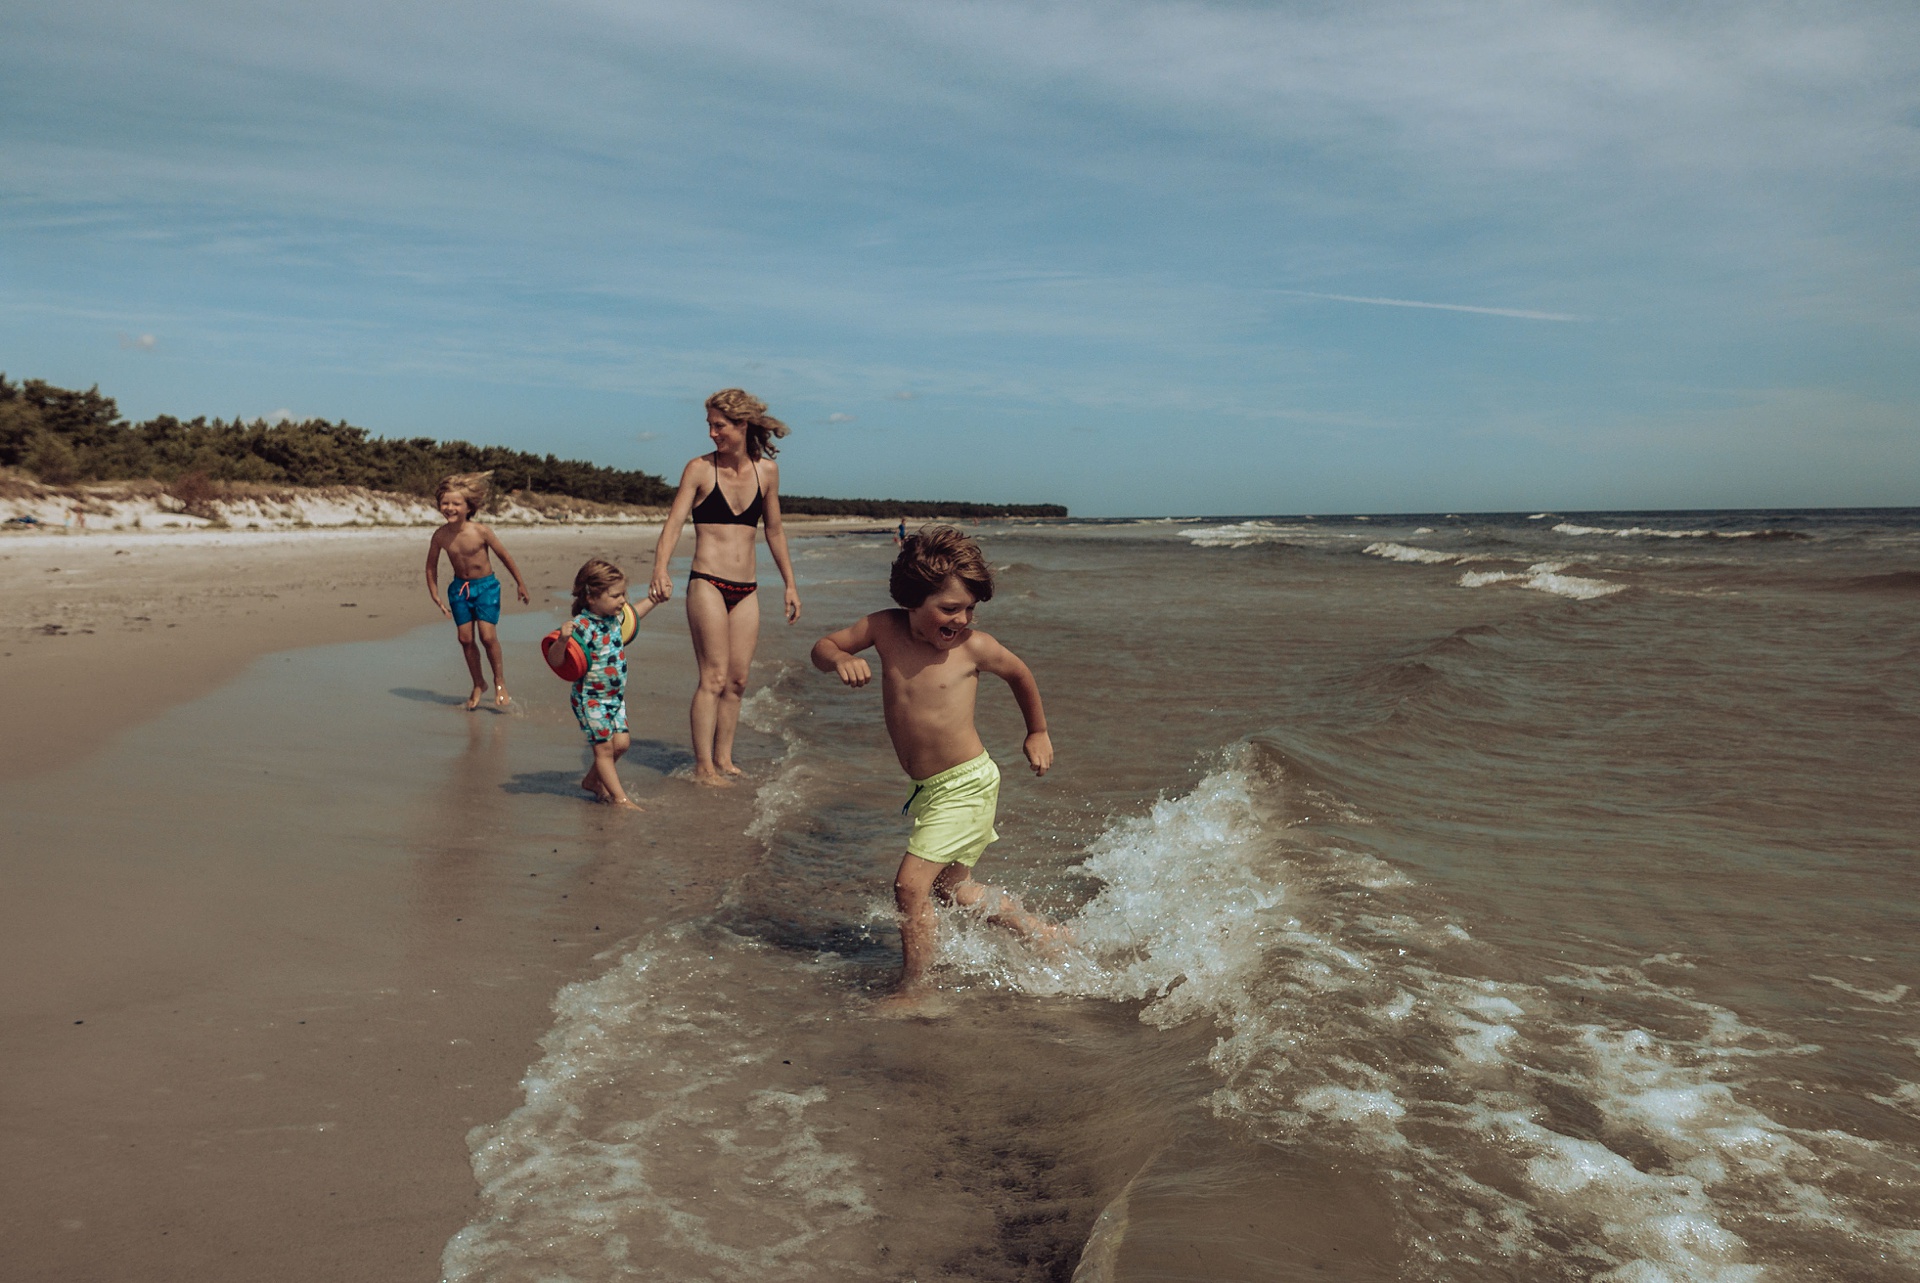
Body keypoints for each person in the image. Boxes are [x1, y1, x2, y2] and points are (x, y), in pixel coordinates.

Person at [811, 525, 1059, 1001]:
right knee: (952, 891)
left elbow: (1020, 674)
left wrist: (1037, 731)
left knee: (909, 887)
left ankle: (916, 990)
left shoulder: (974, 648)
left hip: (967, 784)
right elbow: (824, 645)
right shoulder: (884, 628)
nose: (962, 619)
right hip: (931, 789)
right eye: (949, 609)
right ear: (911, 599)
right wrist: (840, 659)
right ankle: (1044, 936)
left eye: (970, 609)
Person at [648, 389, 802, 786]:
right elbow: (674, 523)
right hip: (707, 583)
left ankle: (724, 759)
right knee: (712, 678)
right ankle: (703, 768)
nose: (713, 433)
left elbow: (774, 530)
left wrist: (790, 584)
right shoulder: (699, 469)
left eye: (720, 426)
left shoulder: (766, 472)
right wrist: (660, 568)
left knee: (737, 681)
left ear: (742, 424)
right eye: (710, 426)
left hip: (747, 588)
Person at [549, 558, 657, 809]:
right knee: (604, 750)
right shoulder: (582, 626)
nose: (623, 600)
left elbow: (634, 616)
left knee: (622, 744)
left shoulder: (614, 618)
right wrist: (562, 640)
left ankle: (591, 781)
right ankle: (621, 799)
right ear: (592, 598)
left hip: (615, 698)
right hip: (591, 699)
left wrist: (654, 600)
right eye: (616, 595)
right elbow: (557, 661)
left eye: (624, 594)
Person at [424, 471, 530, 709]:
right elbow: (430, 566)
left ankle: (499, 681)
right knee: (465, 639)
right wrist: (434, 593)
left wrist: (520, 583)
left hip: (486, 588)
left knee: (488, 636)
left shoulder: (480, 531)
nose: (449, 507)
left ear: (468, 506)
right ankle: (478, 683)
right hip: (460, 591)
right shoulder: (440, 535)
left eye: (455, 503)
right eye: (445, 503)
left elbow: (504, 556)